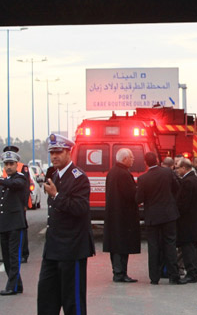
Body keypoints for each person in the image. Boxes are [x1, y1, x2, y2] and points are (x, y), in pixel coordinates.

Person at [38, 133, 95, 315]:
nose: (54, 156)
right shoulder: (54, 176)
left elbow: (80, 209)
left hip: (72, 249)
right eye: (52, 152)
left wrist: (56, 195)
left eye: (59, 152)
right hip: (53, 249)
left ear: (69, 152)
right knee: (46, 299)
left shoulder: (79, 178)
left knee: (73, 302)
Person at [135, 152, 184, 285]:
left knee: (153, 246)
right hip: (169, 214)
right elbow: (177, 187)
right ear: (157, 160)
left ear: (146, 162)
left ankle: (154, 277)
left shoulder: (143, 179)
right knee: (170, 244)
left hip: (152, 217)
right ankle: (174, 276)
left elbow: (138, 199)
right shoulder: (167, 173)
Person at [103, 148, 140, 283]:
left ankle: (118, 272)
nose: (133, 159)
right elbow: (131, 195)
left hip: (113, 214)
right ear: (124, 159)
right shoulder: (124, 174)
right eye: (131, 157)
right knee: (122, 245)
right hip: (124, 215)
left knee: (116, 245)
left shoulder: (112, 172)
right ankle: (120, 273)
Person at [0, 151, 27, 296]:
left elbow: (14, 184)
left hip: (16, 225)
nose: (8, 167)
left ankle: (11, 287)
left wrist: (2, 180)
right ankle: (18, 285)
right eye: (6, 164)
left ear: (17, 165)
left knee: (14, 256)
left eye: (11, 164)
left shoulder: (20, 179)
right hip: (4, 225)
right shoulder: (5, 181)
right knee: (7, 258)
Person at [175, 158, 197, 283]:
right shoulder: (195, 179)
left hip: (187, 222)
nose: (177, 171)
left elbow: (183, 203)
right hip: (194, 220)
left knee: (188, 249)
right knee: (193, 248)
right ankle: (193, 272)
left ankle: (191, 273)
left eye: (178, 168)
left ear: (184, 168)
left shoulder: (187, 182)